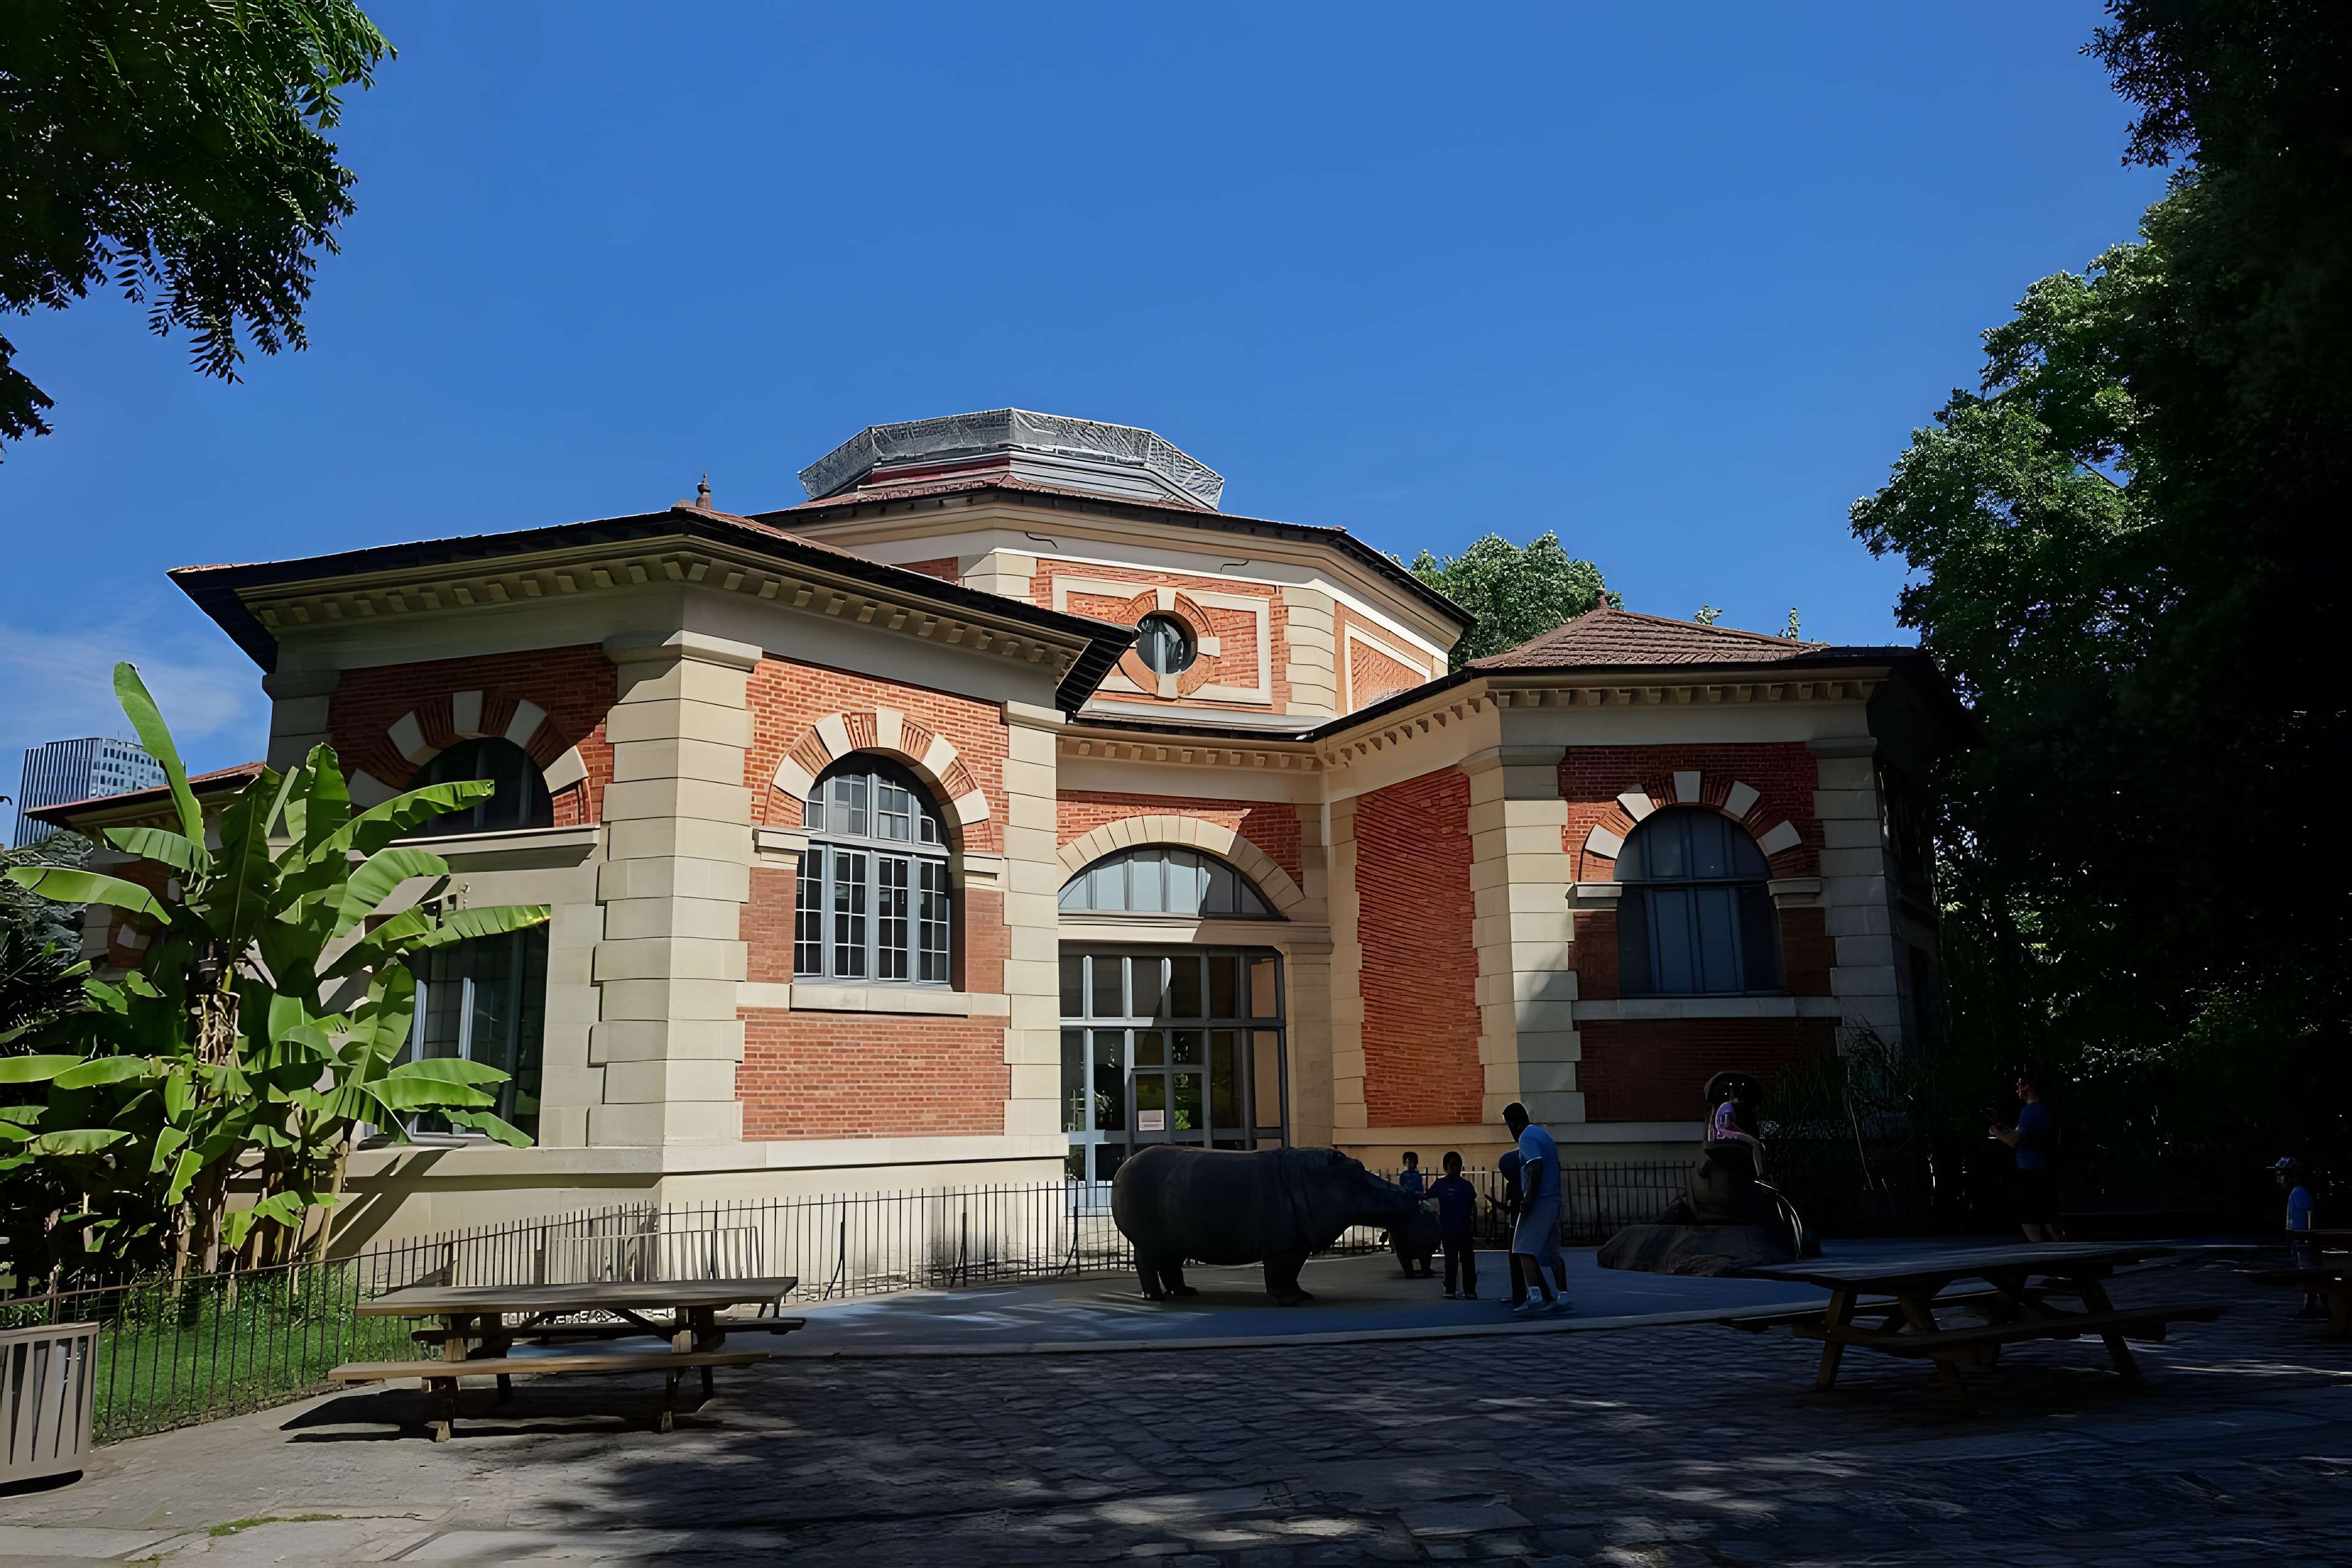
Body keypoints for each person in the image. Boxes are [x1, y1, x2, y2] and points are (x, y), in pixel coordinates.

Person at [1502, 1101, 1567, 1316]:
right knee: (1553, 1253)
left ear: (1513, 1123)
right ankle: (1563, 1296)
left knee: (1522, 1248)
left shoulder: (1527, 1138)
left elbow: (1534, 1166)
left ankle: (1535, 1296)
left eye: (1508, 1125)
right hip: (1553, 1199)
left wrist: (1529, 1199)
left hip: (1539, 1202)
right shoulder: (1542, 1135)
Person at [1989, 1066, 2064, 1242]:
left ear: (2028, 1087)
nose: (2017, 1089)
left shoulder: (2031, 1111)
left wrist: (1997, 1132)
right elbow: (2024, 1135)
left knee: (2030, 1222)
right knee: (2050, 1219)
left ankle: (2041, 1255)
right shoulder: (2044, 1109)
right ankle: (2061, 1253)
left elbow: (2016, 1140)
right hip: (2045, 1169)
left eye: (2020, 1085)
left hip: (2031, 1171)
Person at [2274, 1156, 2321, 1317]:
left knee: (2309, 1272)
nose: (2279, 1180)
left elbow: (2309, 1215)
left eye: (2281, 1176)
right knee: (2307, 1271)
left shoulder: (2299, 1192)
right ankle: (2312, 1305)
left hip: (2304, 1240)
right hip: (2300, 1239)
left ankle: (2310, 1306)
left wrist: (2308, 1236)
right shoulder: (2296, 1193)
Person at [1429, 1151, 1479, 1300]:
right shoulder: (1440, 1185)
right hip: (1447, 1228)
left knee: (1468, 1261)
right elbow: (1430, 1203)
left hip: (1464, 1228)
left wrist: (1473, 1225)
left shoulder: (1467, 1186)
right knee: (1451, 1260)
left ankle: (1469, 1290)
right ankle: (1450, 1288)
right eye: (1453, 1165)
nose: (1456, 1168)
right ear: (1446, 1167)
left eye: (1458, 1165)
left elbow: (1473, 1206)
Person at [1706, 1074, 1768, 1180]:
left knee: (1753, 1142)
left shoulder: (1725, 1107)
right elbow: (1728, 1125)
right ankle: (1761, 1174)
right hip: (1725, 1134)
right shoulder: (1727, 1106)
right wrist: (1743, 1133)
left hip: (1724, 1133)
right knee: (1756, 1144)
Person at [1392, 1152, 1434, 1277]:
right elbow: (1402, 1188)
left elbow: (1420, 1189)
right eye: (1407, 1162)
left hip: (1416, 1203)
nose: (1410, 1164)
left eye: (1412, 1162)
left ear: (1416, 1163)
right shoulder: (1404, 1175)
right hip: (1407, 1203)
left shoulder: (1417, 1175)